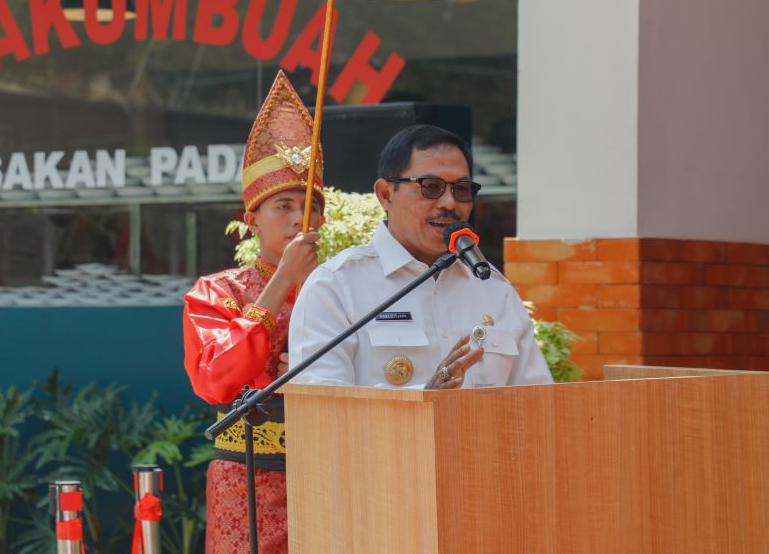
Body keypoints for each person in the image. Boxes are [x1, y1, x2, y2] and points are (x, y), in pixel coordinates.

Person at [288, 124, 552, 390]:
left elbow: (537, 399)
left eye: (461, 189)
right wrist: (426, 401)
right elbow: (322, 408)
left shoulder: (493, 288)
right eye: (431, 187)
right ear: (386, 194)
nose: (449, 203)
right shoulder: (336, 287)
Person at [182, 70, 323, 554]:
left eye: (310, 206)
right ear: (252, 220)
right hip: (248, 478)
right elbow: (213, 381)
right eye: (283, 205)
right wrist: (283, 280)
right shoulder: (218, 291)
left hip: (331, 469)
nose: (299, 218)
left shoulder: (345, 289)